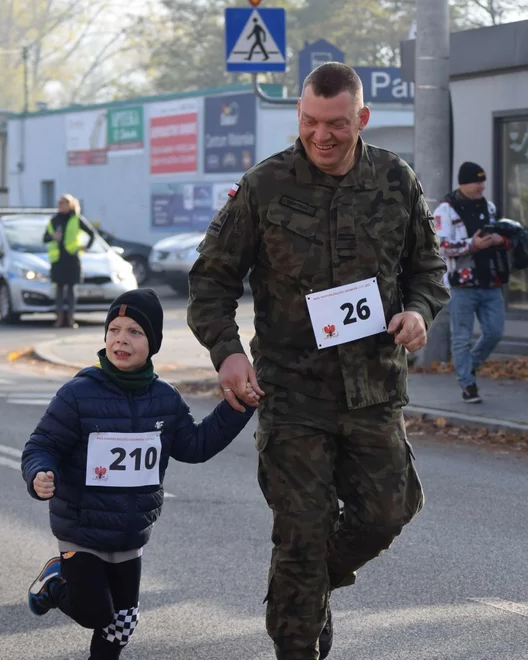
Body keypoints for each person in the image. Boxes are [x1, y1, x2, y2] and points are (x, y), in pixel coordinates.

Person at [186, 61, 449, 660]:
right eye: (308, 122)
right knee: (301, 529)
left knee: (388, 512)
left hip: (373, 388)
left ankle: (304, 591)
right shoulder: (264, 186)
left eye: (335, 124)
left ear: (362, 118)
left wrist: (419, 312)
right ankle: (297, 636)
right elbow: (211, 281)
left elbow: (426, 270)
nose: (321, 136)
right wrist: (227, 354)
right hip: (292, 391)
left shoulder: (395, 179)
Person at [21, 288, 257, 660]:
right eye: (114, 329)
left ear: (153, 343)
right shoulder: (78, 395)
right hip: (82, 529)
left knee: (120, 627)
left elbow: (194, 446)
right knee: (95, 612)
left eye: (134, 331)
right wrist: (40, 473)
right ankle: (53, 583)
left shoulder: (164, 398)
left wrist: (237, 408)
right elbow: (41, 445)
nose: (121, 339)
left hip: (130, 532)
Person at [433, 162, 512, 403]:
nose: (481, 186)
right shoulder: (445, 211)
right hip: (462, 284)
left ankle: (469, 366)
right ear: (463, 183)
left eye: (483, 180)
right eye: (477, 181)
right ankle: (468, 385)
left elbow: (504, 236)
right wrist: (472, 245)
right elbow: (439, 246)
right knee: (462, 337)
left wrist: (500, 239)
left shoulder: (489, 207)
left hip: (491, 280)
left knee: (495, 332)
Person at [44, 194, 96, 328]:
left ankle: (71, 319)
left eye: (63, 203)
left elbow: (92, 233)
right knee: (59, 291)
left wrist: (86, 246)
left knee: (71, 290)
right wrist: (52, 236)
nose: (60, 206)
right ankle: (59, 319)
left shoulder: (76, 219)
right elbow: (45, 238)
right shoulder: (54, 220)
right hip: (58, 260)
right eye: (59, 203)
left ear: (70, 205)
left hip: (72, 259)